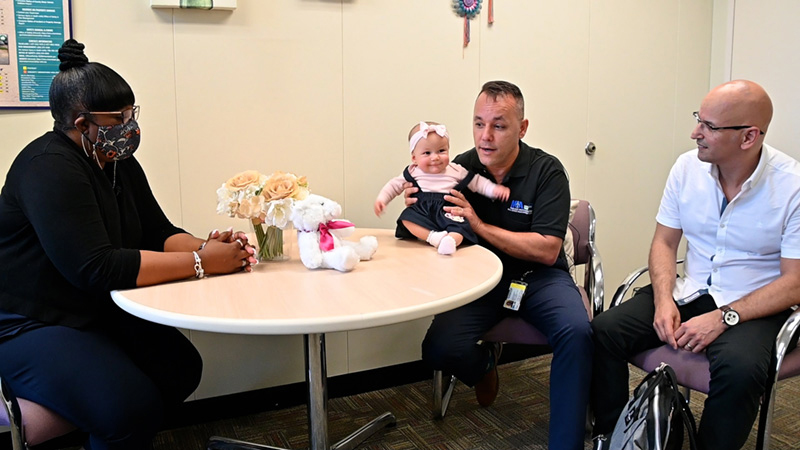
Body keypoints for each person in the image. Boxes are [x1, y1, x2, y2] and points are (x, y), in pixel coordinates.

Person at [0, 39, 257, 450]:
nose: (128, 125)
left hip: (94, 308)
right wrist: (202, 263)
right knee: (127, 408)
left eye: (130, 113)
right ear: (83, 124)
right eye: (117, 117)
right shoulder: (47, 167)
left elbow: (156, 231)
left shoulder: (117, 162)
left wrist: (210, 245)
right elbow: (95, 267)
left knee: (180, 369)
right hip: (30, 321)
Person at [590, 80, 800, 450]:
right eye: (697, 119)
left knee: (740, 372)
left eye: (709, 126)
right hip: (691, 290)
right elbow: (664, 242)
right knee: (604, 330)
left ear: (748, 137)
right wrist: (663, 299)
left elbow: (794, 282)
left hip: (757, 306)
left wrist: (724, 318)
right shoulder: (686, 168)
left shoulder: (792, 187)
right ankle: (614, 436)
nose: (695, 133)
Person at [418, 81, 593, 450]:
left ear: (522, 128)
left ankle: (566, 444)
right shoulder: (459, 169)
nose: (486, 136)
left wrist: (480, 227)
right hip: (481, 281)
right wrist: (417, 200)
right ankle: (484, 365)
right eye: (479, 124)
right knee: (438, 347)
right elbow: (428, 230)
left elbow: (546, 250)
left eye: (499, 125)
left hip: (539, 277)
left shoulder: (547, 172)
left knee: (577, 332)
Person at [374, 121, 510, 255]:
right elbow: (394, 185)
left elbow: (477, 182)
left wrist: (493, 189)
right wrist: (382, 199)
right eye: (427, 153)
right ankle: (434, 238)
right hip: (422, 210)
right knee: (407, 219)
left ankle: (450, 241)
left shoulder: (456, 170)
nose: (435, 157)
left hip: (447, 209)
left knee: (459, 228)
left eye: (441, 151)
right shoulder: (412, 171)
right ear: (414, 158)